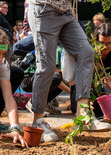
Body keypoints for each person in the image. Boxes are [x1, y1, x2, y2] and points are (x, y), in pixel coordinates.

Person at [28, 0, 111, 143]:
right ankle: (38, 121)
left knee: (86, 52)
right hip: (44, 10)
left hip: (66, 12)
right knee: (47, 66)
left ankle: (83, 116)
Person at [94, 23, 111, 122]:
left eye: (109, 43)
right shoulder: (91, 55)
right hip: (95, 97)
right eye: (101, 43)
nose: (105, 47)